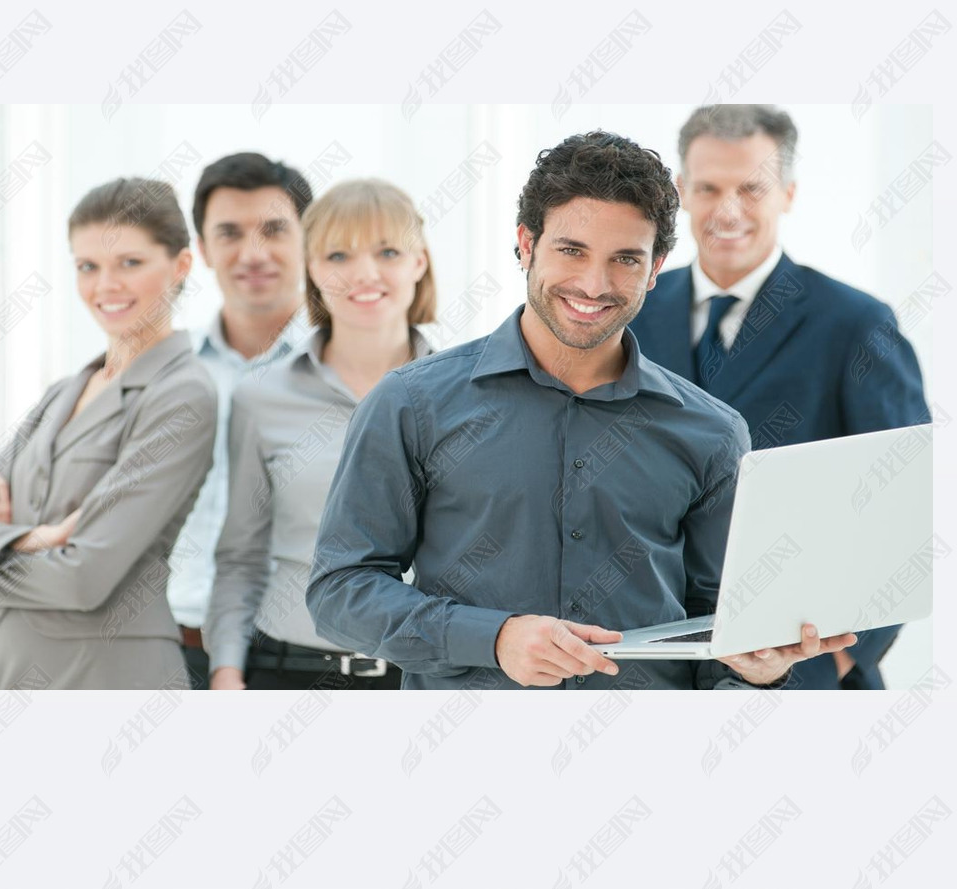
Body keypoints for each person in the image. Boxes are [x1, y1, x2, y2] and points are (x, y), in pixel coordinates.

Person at [306, 132, 855, 691]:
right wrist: (491, 638)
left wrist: (758, 674)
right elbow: (340, 591)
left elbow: (720, 629)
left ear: (656, 266)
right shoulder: (411, 403)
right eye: (571, 250)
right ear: (526, 244)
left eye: (625, 259)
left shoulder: (712, 432)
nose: (594, 285)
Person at [630, 105, 931, 690]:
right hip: (652, 662)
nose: (728, 210)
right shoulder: (631, 312)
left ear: (788, 193)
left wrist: (842, 659)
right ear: (680, 193)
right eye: (708, 187)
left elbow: (904, 505)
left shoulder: (855, 324)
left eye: (752, 188)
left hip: (801, 666)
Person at [0, 178, 218, 690]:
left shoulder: (182, 395)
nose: (105, 286)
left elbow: (83, 578)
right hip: (11, 679)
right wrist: (36, 539)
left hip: (107, 679)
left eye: (130, 263)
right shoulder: (64, 391)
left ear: (181, 266)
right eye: (87, 267)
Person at [207, 179, 437, 690]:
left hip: (426, 677)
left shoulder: (467, 392)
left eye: (388, 251)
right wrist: (225, 673)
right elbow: (240, 554)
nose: (364, 274)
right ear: (311, 267)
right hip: (287, 672)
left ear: (419, 262)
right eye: (338, 255)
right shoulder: (261, 396)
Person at [168, 153, 313, 687]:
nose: (253, 252)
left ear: (309, 238)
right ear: (202, 249)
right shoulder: (168, 371)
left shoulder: (349, 369)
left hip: (309, 654)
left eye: (274, 229)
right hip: (179, 647)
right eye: (229, 233)